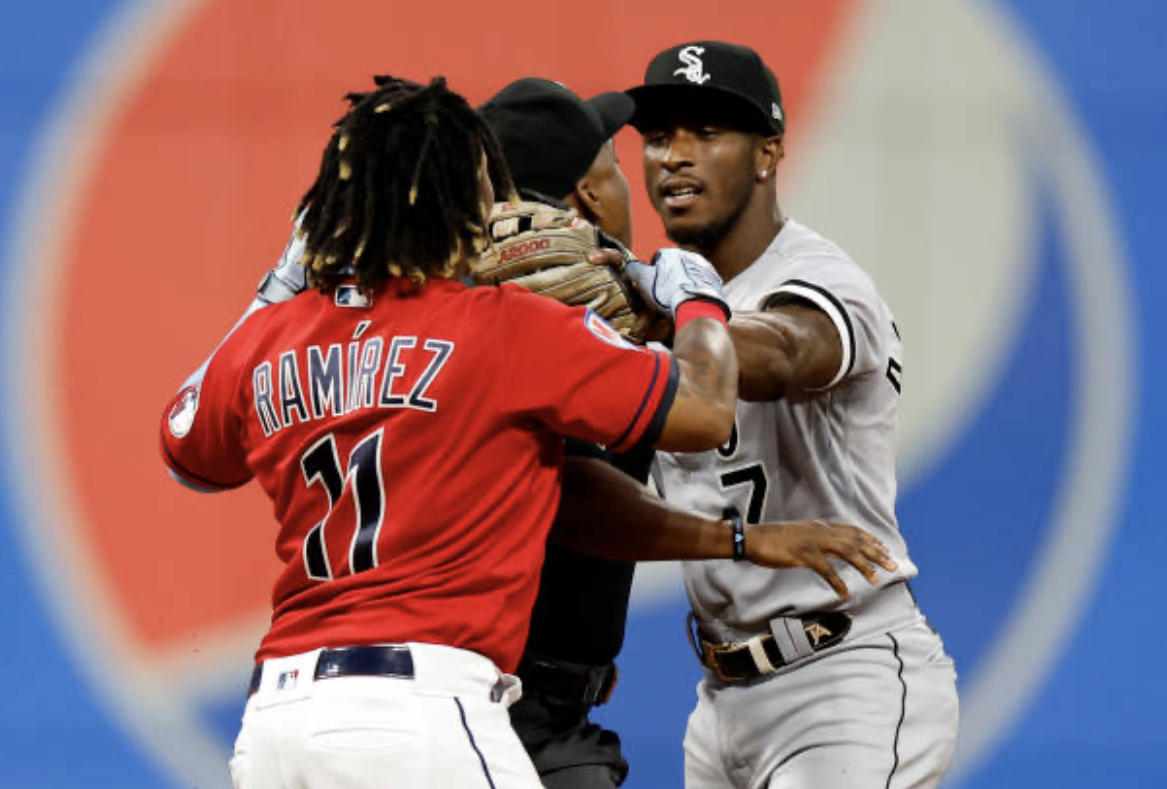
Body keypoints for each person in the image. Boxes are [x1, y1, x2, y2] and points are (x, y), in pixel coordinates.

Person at [159, 74, 742, 789]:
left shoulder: (274, 335)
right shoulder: (502, 327)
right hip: (423, 709)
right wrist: (695, 296)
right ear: (461, 200)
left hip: (278, 724)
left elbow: (188, 452)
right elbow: (707, 409)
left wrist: (275, 288)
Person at [479, 77, 898, 789]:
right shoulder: (581, 331)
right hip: (509, 708)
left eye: (703, 136)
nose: (665, 163)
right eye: (629, 154)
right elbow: (662, 439)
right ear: (586, 195)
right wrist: (692, 308)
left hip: (382, 696)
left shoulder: (430, 317)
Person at [626, 41, 961, 788]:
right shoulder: (659, 301)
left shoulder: (816, 275)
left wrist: (672, 320)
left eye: (707, 133)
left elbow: (780, 355)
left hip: (843, 677)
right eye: (657, 137)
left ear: (768, 152)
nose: (674, 157)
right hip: (720, 698)